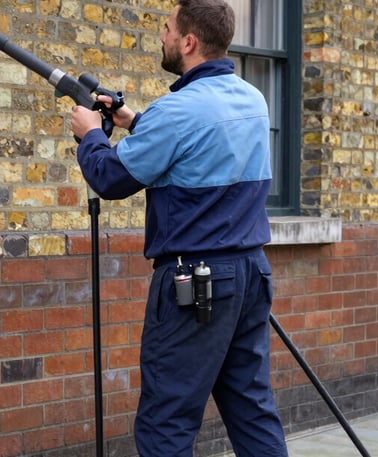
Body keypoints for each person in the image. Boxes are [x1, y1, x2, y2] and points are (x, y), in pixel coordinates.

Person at [69, 0, 289, 456]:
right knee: (251, 408)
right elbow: (198, 143)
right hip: (250, 274)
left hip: (197, 284)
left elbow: (111, 179)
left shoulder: (178, 110)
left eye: (168, 29)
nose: (163, 37)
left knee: (166, 421)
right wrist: (134, 122)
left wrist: (91, 133)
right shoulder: (252, 98)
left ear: (189, 42)